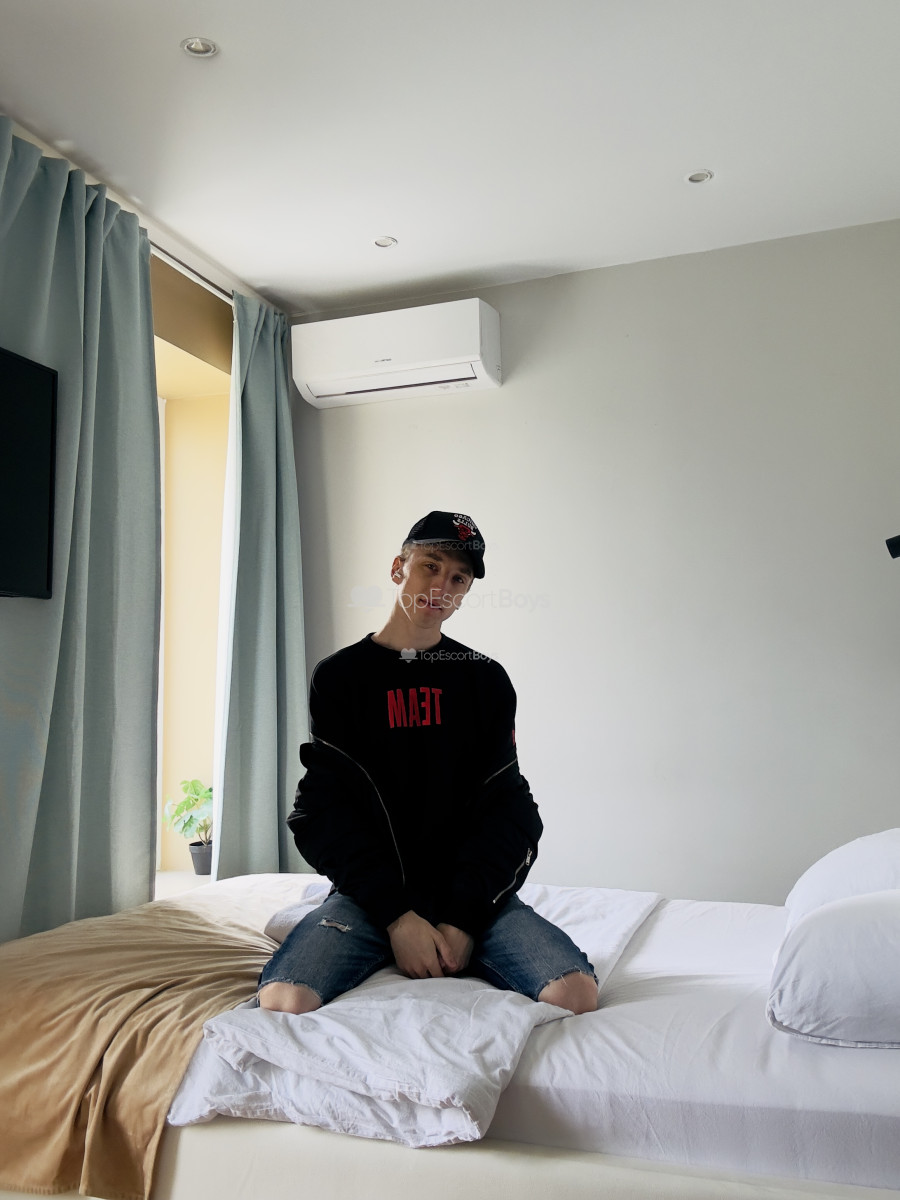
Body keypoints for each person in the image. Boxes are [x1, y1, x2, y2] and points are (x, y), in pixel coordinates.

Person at [258, 511, 598, 1016]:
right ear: (399, 568)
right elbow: (322, 811)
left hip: (472, 902)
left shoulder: (485, 680)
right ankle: (356, 932)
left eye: (458, 578)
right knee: (285, 1000)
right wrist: (398, 920)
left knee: (575, 995)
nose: (441, 587)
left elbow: (512, 811)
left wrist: (461, 919)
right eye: (430, 566)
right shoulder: (340, 678)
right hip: (374, 902)